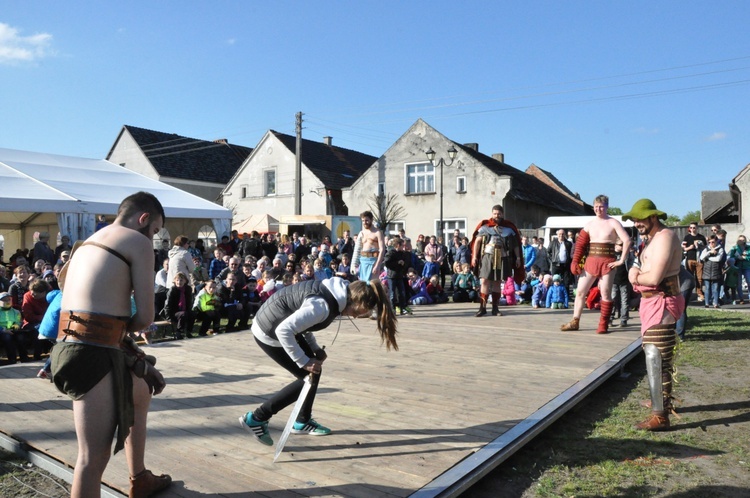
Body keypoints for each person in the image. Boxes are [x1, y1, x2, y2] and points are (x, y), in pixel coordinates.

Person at [50, 191, 171, 497]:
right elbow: (144, 317)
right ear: (143, 219)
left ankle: (139, 477)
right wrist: (125, 336)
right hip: (91, 352)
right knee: (92, 458)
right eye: (155, 230)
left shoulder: (86, 244)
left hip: (73, 347)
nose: (153, 238)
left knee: (140, 389)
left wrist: (126, 347)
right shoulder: (137, 242)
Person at [238, 277, 398, 445]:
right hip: (268, 331)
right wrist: (303, 361)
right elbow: (284, 330)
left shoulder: (336, 294)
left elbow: (304, 323)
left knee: (314, 370)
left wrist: (314, 349)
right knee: (306, 378)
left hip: (277, 323)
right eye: (357, 312)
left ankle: (302, 421)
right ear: (355, 301)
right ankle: (256, 418)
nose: (355, 317)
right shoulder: (322, 306)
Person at [623, 199, 685, 431]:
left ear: (653, 217)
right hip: (652, 303)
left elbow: (654, 278)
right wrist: (636, 271)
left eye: (640, 218)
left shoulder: (666, 237)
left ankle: (660, 415)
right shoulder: (652, 240)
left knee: (656, 356)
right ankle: (659, 399)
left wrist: (634, 276)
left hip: (662, 301)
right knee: (654, 354)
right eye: (634, 219)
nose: (637, 223)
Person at [560, 195, 632, 334]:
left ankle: (603, 324)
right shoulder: (590, 224)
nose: (598, 209)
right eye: (596, 206)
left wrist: (621, 260)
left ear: (606, 207)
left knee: (605, 293)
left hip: (608, 262)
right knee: (580, 291)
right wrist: (575, 261)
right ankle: (575, 320)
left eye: (601, 206)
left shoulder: (613, 223)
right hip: (591, 261)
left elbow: (627, 240)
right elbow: (580, 245)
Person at [470, 205, 523, 317]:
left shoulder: (509, 229)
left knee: (497, 282)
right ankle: (482, 308)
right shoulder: (485, 227)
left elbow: (515, 246)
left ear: (502, 214)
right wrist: (474, 256)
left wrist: (518, 258)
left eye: (498, 214)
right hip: (487, 256)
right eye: (495, 213)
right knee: (484, 281)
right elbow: (477, 242)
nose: (496, 215)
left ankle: (495, 308)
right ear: (492, 214)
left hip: (502, 257)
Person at [352, 211, 385, 286]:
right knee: (363, 285)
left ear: (371, 220)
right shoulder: (361, 233)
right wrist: (354, 264)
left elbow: (382, 250)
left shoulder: (377, 232)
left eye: (366, 220)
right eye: (363, 221)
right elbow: (357, 250)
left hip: (373, 261)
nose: (364, 222)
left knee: (372, 285)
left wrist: (377, 265)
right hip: (363, 261)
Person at [610, 239, 633, 327]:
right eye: (620, 244)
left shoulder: (627, 254)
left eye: (623, 244)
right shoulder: (611, 254)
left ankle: (624, 320)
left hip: (624, 280)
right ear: (615, 245)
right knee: (612, 299)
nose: (622, 246)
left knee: (625, 301)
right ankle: (610, 319)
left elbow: (631, 264)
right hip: (613, 280)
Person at [164, 272, 194, 339]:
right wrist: (168, 317)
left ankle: (188, 332)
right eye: (177, 280)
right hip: (174, 312)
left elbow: (189, 302)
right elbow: (167, 304)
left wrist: (189, 310)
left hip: (184, 310)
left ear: (185, 281)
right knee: (183, 314)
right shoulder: (172, 289)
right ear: (174, 281)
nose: (179, 282)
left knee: (192, 314)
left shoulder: (188, 289)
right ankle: (179, 332)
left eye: (181, 280)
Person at [682, 222, 707, 302]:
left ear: (697, 228)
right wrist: (690, 247)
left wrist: (699, 245)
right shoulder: (687, 237)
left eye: (694, 227)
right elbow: (684, 248)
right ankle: (689, 294)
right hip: (690, 258)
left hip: (699, 259)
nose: (692, 229)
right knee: (690, 277)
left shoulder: (701, 237)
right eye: (691, 227)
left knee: (699, 278)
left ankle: (699, 293)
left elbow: (705, 248)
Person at [699, 235, 725, 309]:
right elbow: (701, 258)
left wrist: (708, 258)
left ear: (716, 241)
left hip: (716, 272)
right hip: (706, 272)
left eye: (713, 242)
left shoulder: (720, 249)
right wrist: (710, 252)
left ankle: (715, 303)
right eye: (709, 242)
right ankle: (707, 303)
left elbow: (718, 259)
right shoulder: (706, 249)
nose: (711, 243)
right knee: (707, 289)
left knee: (716, 289)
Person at [0, 291, 23, 364]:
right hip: (2, 331)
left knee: (21, 338)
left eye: (9, 299)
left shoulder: (16, 312)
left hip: (13, 329)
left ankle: (24, 357)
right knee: (7, 338)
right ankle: (12, 359)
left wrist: (16, 326)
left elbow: (18, 321)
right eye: (4, 300)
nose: (7, 301)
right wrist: (4, 330)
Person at [727, 235, 750, 304]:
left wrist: (745, 258)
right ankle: (741, 298)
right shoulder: (735, 248)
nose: (741, 241)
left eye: (743, 240)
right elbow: (731, 257)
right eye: (740, 240)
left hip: (747, 267)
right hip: (738, 267)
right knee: (738, 283)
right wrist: (738, 258)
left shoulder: (748, 248)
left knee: (749, 281)